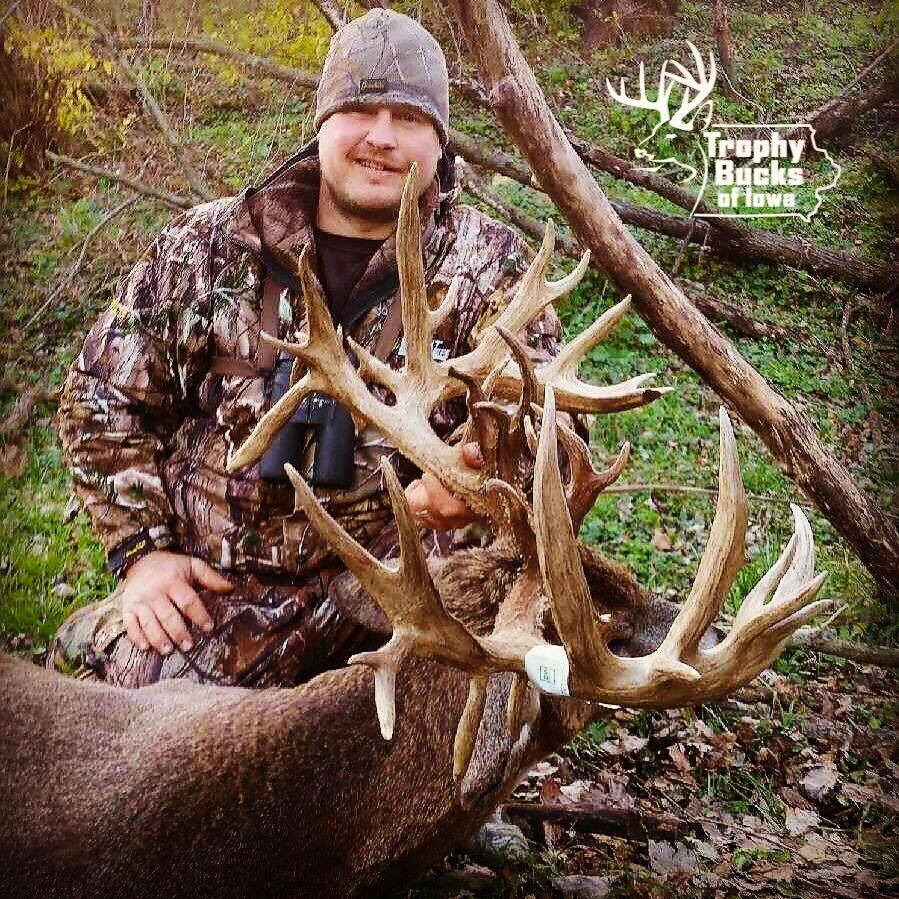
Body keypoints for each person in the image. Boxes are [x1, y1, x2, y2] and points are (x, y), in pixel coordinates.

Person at [49, 8, 566, 688]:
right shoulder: (206, 248)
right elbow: (99, 399)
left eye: (409, 119)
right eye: (360, 109)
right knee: (128, 703)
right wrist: (144, 553)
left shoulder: (489, 265)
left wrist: (482, 474)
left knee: (493, 698)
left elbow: (554, 420)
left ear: (439, 143)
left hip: (409, 591)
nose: (381, 137)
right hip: (223, 592)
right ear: (322, 123)